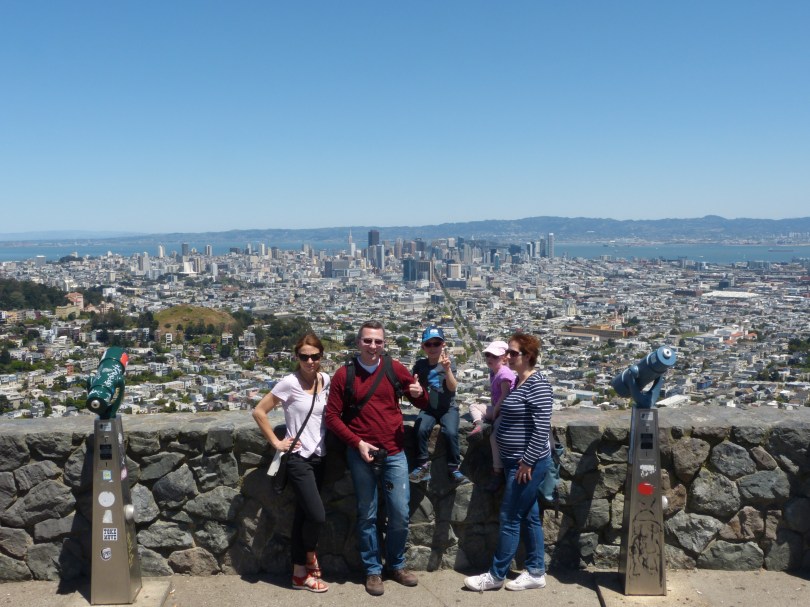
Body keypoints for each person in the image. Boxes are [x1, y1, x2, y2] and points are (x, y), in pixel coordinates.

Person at [325, 320, 428, 597]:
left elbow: (420, 400)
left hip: (394, 451)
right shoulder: (344, 375)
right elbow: (332, 417)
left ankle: (396, 564)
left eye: (378, 341)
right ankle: (372, 570)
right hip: (361, 453)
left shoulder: (394, 368)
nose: (373, 346)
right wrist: (357, 444)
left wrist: (419, 393)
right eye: (368, 340)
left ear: (384, 344)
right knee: (367, 513)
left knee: (400, 512)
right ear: (358, 342)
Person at [464, 333, 553, 592]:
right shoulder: (520, 382)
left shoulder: (538, 384)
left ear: (528, 356)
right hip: (516, 461)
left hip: (527, 464)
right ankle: (536, 571)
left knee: (510, 516)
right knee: (529, 516)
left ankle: (496, 575)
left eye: (513, 353)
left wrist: (526, 462)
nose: (508, 357)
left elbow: (540, 428)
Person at [252, 333, 330, 593]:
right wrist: (277, 442)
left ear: (321, 357)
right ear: (296, 357)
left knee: (303, 515)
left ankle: (299, 575)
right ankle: (309, 557)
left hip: (320, 456)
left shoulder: (325, 380)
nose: (310, 361)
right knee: (317, 517)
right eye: (304, 356)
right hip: (298, 459)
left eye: (315, 356)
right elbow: (259, 411)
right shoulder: (289, 383)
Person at [408, 326, 469, 485]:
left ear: (443, 345)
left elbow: (452, 387)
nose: (433, 347)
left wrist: (447, 369)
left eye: (437, 343)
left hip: (448, 407)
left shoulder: (449, 363)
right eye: (429, 344)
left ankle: (453, 467)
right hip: (428, 408)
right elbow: (414, 389)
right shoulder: (420, 365)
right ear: (423, 347)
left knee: (450, 432)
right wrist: (414, 390)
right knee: (420, 429)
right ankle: (422, 465)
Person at [468, 340, 517, 491]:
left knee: (494, 437)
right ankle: (479, 424)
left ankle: (497, 471)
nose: (490, 359)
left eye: (494, 356)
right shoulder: (494, 371)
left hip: (506, 411)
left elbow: (506, 395)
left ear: (504, 358)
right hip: (497, 408)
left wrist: (495, 410)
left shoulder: (504, 374)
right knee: (474, 406)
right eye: (488, 355)